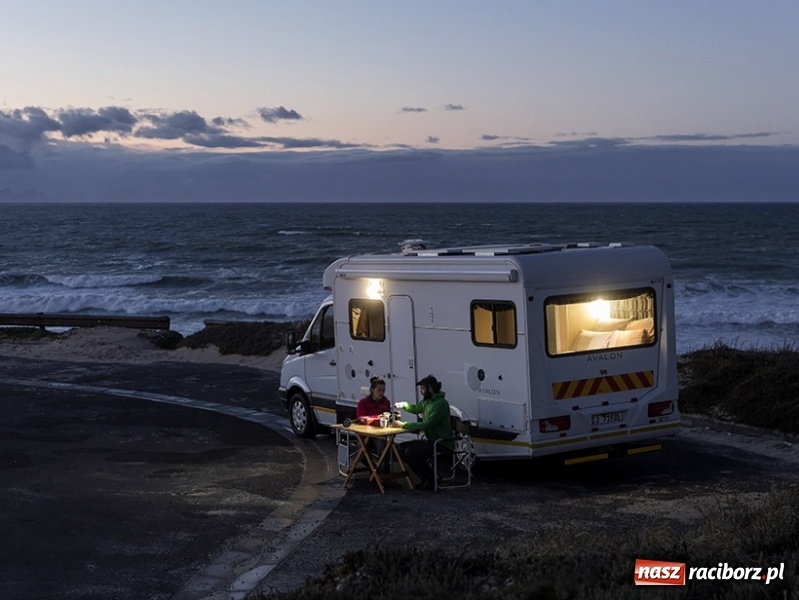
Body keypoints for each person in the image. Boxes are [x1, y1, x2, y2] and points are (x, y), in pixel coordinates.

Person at [395, 374, 453, 491]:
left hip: (442, 443)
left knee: (411, 451)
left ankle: (431, 480)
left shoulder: (440, 404)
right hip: (432, 441)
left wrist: (405, 424)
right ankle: (426, 478)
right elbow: (417, 408)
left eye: (422, 388)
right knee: (401, 448)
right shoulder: (428, 401)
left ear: (430, 389)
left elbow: (427, 424)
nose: (421, 391)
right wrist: (405, 405)